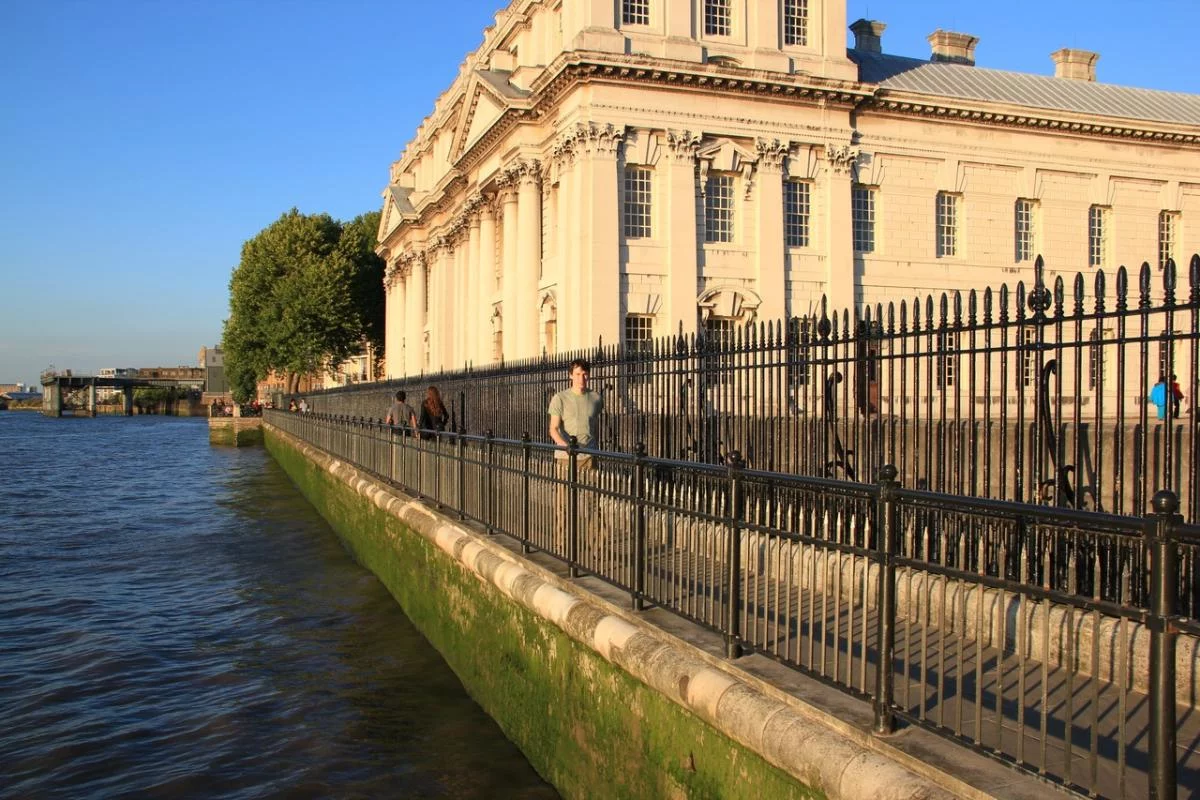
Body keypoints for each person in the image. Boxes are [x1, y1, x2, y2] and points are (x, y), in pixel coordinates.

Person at [548, 358, 604, 470]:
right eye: (577, 374)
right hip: (566, 457)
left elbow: (595, 425)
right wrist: (566, 447)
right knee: (566, 482)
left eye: (584, 374)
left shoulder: (596, 398)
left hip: (589, 456)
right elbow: (553, 429)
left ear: (588, 375)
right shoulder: (559, 398)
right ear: (571, 375)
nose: (581, 379)